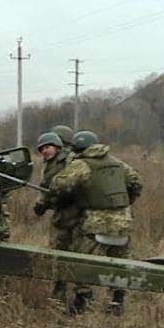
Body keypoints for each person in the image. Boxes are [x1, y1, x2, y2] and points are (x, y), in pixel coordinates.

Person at [48, 130, 142, 315]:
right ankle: (117, 301)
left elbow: (58, 185)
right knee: (119, 262)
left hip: (95, 223)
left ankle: (82, 303)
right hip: (123, 221)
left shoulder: (82, 165)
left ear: (76, 148)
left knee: (85, 263)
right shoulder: (117, 163)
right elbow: (137, 182)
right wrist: (125, 203)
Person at [32, 131, 82, 301]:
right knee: (57, 253)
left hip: (78, 215)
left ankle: (81, 295)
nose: (45, 151)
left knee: (79, 255)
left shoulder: (71, 160)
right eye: (42, 149)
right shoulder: (47, 166)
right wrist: (41, 204)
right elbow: (45, 188)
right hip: (61, 215)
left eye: (48, 147)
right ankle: (59, 292)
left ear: (57, 146)